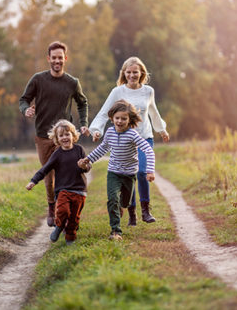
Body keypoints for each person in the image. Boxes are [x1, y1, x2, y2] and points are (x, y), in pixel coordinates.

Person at [89, 57, 169, 226]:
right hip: (125, 139)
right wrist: (96, 130)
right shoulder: (118, 91)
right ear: (124, 73)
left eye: (135, 72)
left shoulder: (148, 91)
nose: (132, 75)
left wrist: (161, 129)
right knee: (129, 174)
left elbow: (153, 112)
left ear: (141, 73)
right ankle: (132, 213)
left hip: (144, 136)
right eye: (129, 72)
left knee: (141, 172)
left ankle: (146, 210)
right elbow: (105, 112)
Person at [19, 41, 90, 227]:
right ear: (48, 58)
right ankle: (52, 206)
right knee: (48, 175)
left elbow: (82, 103)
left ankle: (64, 207)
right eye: (54, 57)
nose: (57, 60)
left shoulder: (72, 82)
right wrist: (26, 109)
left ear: (65, 59)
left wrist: (83, 124)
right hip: (43, 135)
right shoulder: (38, 79)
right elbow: (24, 99)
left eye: (60, 57)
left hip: (64, 137)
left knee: (66, 173)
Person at [79, 100, 155, 241]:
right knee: (112, 199)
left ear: (129, 119)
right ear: (112, 118)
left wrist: (149, 170)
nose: (120, 121)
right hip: (113, 172)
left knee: (124, 203)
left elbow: (148, 150)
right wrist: (88, 159)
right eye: (117, 118)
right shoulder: (109, 132)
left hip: (129, 174)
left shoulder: (132, 135)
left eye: (124, 118)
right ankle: (116, 231)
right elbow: (103, 148)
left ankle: (125, 209)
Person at [26, 120, 91, 245]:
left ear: (73, 135)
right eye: (61, 135)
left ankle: (70, 239)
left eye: (67, 134)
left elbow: (88, 167)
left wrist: (84, 166)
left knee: (74, 218)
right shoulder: (57, 154)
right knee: (63, 211)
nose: (64, 137)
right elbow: (45, 169)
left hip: (80, 190)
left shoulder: (79, 150)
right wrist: (33, 181)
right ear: (56, 138)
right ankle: (60, 226)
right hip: (63, 190)